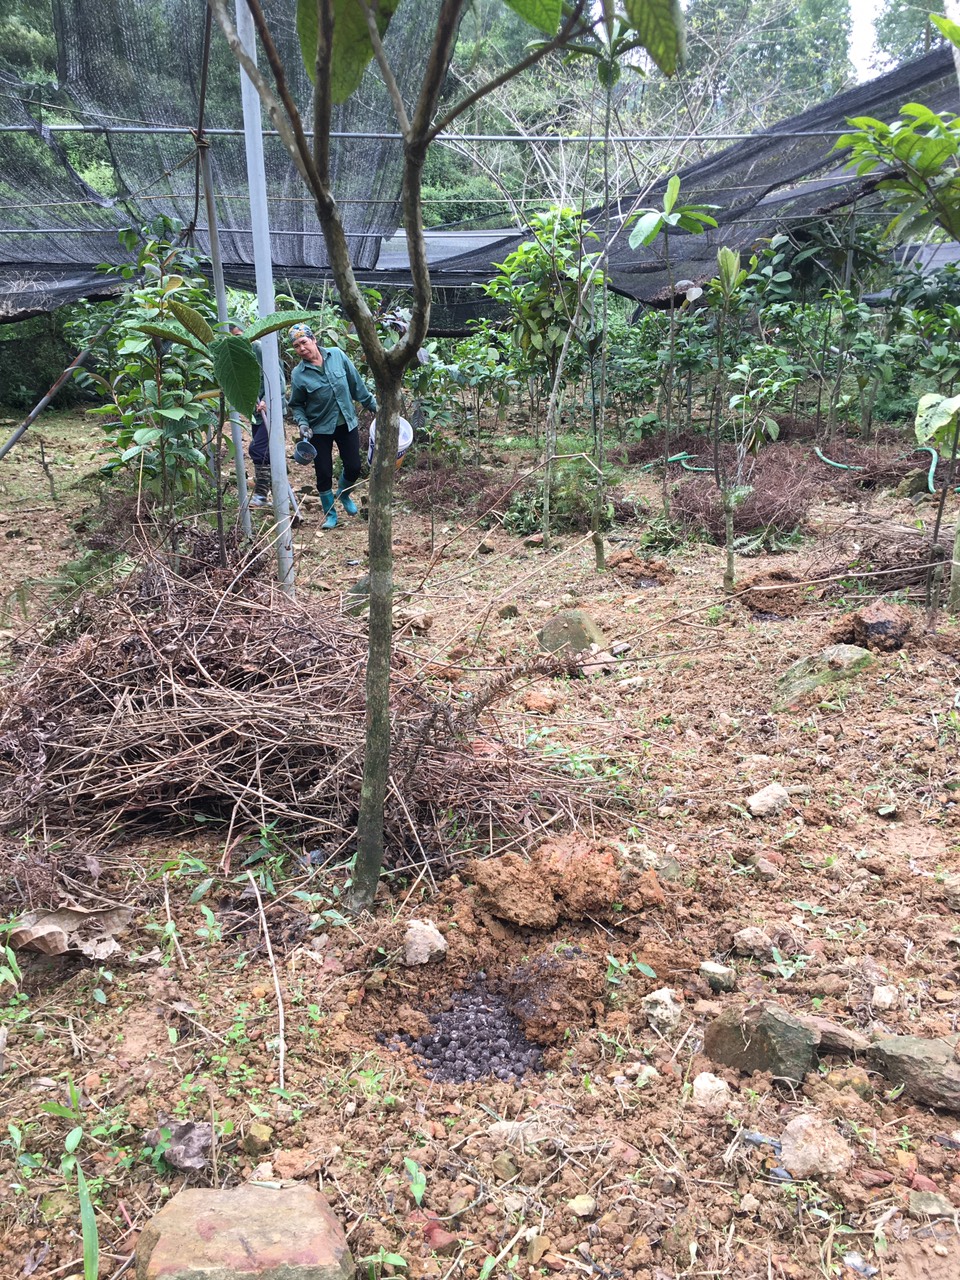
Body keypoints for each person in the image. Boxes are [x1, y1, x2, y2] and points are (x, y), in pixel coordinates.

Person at [287, 322, 377, 530]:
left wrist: (374, 406)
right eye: (296, 346)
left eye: (304, 342)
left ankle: (344, 493)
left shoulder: (337, 355)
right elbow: (296, 405)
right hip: (319, 429)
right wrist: (302, 424)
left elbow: (356, 385)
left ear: (313, 340)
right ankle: (330, 515)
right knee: (324, 472)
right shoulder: (299, 374)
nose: (301, 348)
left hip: (346, 422)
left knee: (354, 466)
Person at [227, 319, 270, 508]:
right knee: (265, 452)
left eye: (239, 336)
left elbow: (276, 377)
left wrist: (267, 399)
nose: (237, 341)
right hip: (256, 412)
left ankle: (261, 495)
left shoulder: (257, 348)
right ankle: (269, 490)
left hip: (270, 409)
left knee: (257, 450)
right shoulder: (236, 354)